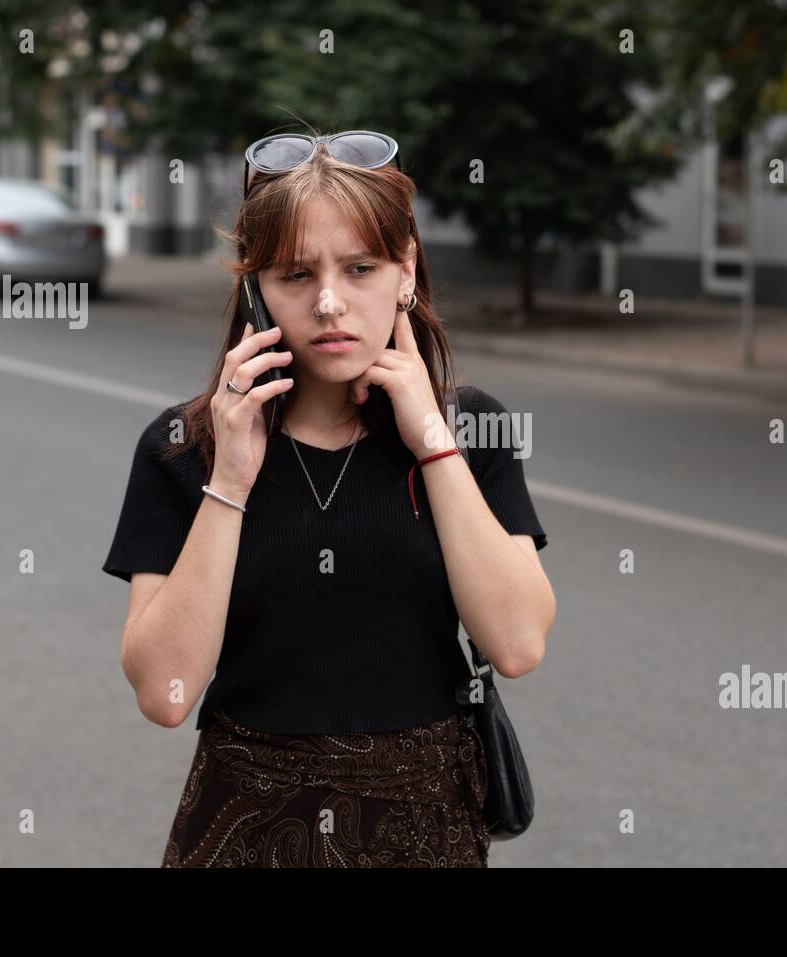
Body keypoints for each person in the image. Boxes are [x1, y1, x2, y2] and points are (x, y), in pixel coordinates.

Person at [101, 129, 556, 867]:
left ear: (405, 269)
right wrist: (231, 482)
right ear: (254, 287)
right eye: (293, 274)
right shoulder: (185, 446)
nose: (329, 302)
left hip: (423, 828)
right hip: (244, 828)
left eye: (361, 267)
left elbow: (516, 643)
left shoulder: (474, 428)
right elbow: (165, 692)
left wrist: (434, 442)